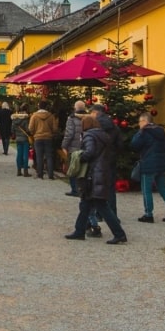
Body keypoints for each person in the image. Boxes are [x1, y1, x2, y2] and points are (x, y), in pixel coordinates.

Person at [64, 115, 128, 244]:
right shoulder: (104, 135)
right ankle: (79, 231)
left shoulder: (89, 136)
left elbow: (89, 152)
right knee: (86, 204)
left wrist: (79, 157)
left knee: (101, 205)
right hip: (101, 173)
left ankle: (119, 234)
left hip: (92, 175)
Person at [130, 111, 165, 223]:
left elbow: (134, 145)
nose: (139, 124)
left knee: (146, 190)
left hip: (148, 165)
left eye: (140, 121)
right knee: (163, 189)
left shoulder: (144, 132)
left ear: (144, 121)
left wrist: (139, 132)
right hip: (162, 164)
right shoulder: (161, 131)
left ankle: (148, 214)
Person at [62, 100, 100, 235]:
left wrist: (64, 145)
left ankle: (74, 189)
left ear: (75, 108)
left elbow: (69, 133)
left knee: (74, 170)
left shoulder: (72, 118)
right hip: (85, 150)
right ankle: (90, 225)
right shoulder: (91, 118)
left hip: (75, 148)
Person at [88, 103, 122, 218]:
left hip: (97, 161)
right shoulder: (114, 126)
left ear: (95, 113)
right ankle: (113, 213)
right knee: (111, 188)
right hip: (110, 160)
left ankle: (98, 213)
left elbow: (91, 145)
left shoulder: (94, 127)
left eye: (90, 113)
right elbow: (119, 144)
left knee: (96, 188)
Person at [28, 99, 59, 179]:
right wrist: (51, 133)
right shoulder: (51, 116)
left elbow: (30, 128)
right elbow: (55, 128)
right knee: (49, 156)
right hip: (48, 138)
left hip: (38, 138)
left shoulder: (34, 116)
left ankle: (40, 174)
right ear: (46, 107)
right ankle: (51, 175)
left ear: (38, 106)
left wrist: (34, 133)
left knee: (39, 156)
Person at [11, 104, 32, 177]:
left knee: (19, 154)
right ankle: (25, 171)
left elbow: (12, 129)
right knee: (25, 155)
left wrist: (14, 134)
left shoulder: (15, 118)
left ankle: (19, 170)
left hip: (18, 138)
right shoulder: (26, 119)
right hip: (25, 138)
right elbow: (28, 129)